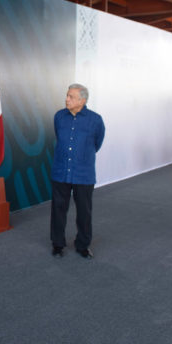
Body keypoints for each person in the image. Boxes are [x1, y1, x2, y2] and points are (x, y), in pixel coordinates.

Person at [50, 83, 105, 259]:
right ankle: (57, 244)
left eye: (71, 97)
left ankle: (83, 245)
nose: (66, 99)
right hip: (61, 172)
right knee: (58, 210)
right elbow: (60, 138)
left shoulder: (95, 120)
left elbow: (97, 143)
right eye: (67, 95)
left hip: (83, 173)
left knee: (84, 212)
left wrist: (81, 156)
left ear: (82, 100)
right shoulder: (59, 117)